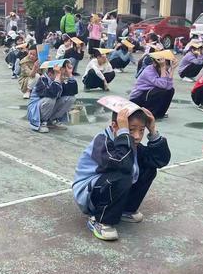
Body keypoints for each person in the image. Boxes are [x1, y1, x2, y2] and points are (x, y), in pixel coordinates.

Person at [72, 103, 171, 241]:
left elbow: (160, 160)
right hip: (89, 195)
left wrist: (153, 131)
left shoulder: (131, 144)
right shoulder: (102, 142)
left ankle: (126, 209)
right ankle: (99, 220)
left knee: (149, 168)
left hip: (108, 183)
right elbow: (121, 163)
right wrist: (124, 133)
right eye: (131, 130)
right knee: (122, 174)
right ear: (114, 127)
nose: (137, 136)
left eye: (141, 130)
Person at [28, 60, 78, 133]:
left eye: (63, 74)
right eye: (60, 74)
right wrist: (58, 77)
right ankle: (42, 122)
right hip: (35, 111)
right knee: (50, 99)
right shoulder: (42, 80)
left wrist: (70, 74)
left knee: (70, 98)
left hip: (48, 107)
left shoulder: (59, 81)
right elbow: (51, 93)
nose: (63, 76)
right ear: (50, 74)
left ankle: (52, 120)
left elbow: (73, 91)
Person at [129, 51, 176, 119]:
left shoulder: (163, 70)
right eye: (163, 65)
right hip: (136, 100)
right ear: (154, 64)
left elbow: (169, 87)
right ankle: (150, 114)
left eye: (167, 65)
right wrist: (163, 67)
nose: (166, 67)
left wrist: (172, 70)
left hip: (147, 96)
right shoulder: (148, 71)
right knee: (161, 90)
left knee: (171, 90)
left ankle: (160, 113)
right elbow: (163, 86)